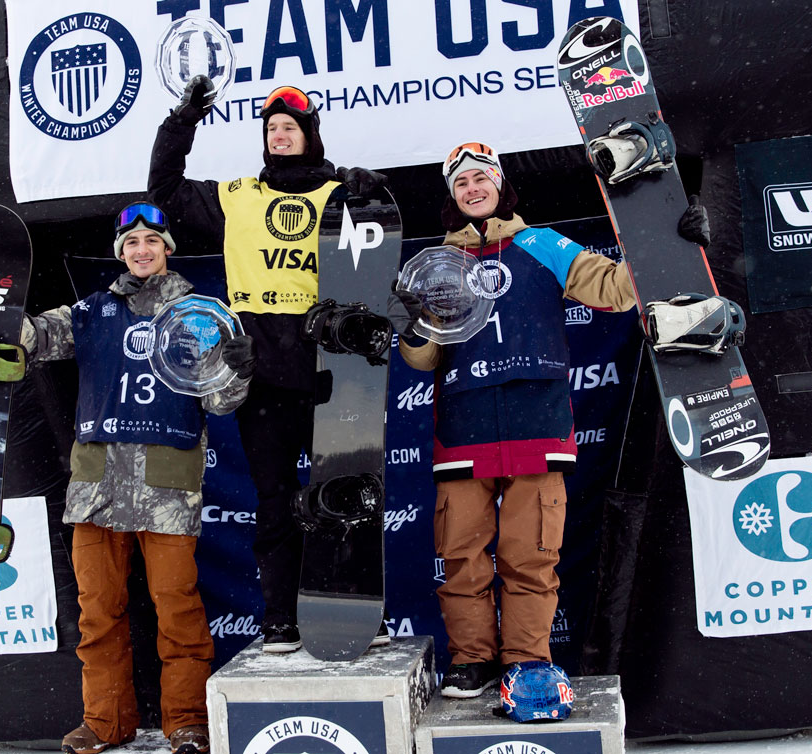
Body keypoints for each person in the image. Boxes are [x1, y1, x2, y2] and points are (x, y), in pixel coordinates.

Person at [398, 142, 710, 700]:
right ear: (452, 197)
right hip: (463, 431)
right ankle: (472, 662)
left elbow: (615, 289)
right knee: (462, 561)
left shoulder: (540, 244)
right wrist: (416, 326)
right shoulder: (436, 264)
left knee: (530, 559)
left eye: (480, 178)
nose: (473, 188)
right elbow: (420, 357)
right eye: (461, 183)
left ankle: (527, 663)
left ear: (499, 184)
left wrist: (668, 240)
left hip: (537, 427)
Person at [0, 202, 250, 754]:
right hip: (95, 491)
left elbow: (223, 403)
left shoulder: (201, 315)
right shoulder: (93, 311)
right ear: (120, 253)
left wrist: (238, 368)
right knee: (98, 614)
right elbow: (32, 336)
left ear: (168, 249)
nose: (142, 250)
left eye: (153, 240)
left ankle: (187, 723)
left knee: (178, 612)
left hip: (167, 491)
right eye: (132, 243)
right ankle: (106, 722)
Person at [149, 77, 415, 653]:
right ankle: (280, 618)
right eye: (271, 128)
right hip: (264, 377)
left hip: (334, 370)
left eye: (290, 126)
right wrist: (182, 120)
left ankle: (350, 604)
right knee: (274, 503)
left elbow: (382, 256)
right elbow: (164, 190)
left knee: (346, 491)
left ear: (310, 134)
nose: (279, 134)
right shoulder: (239, 195)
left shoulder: (342, 195)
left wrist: (370, 196)